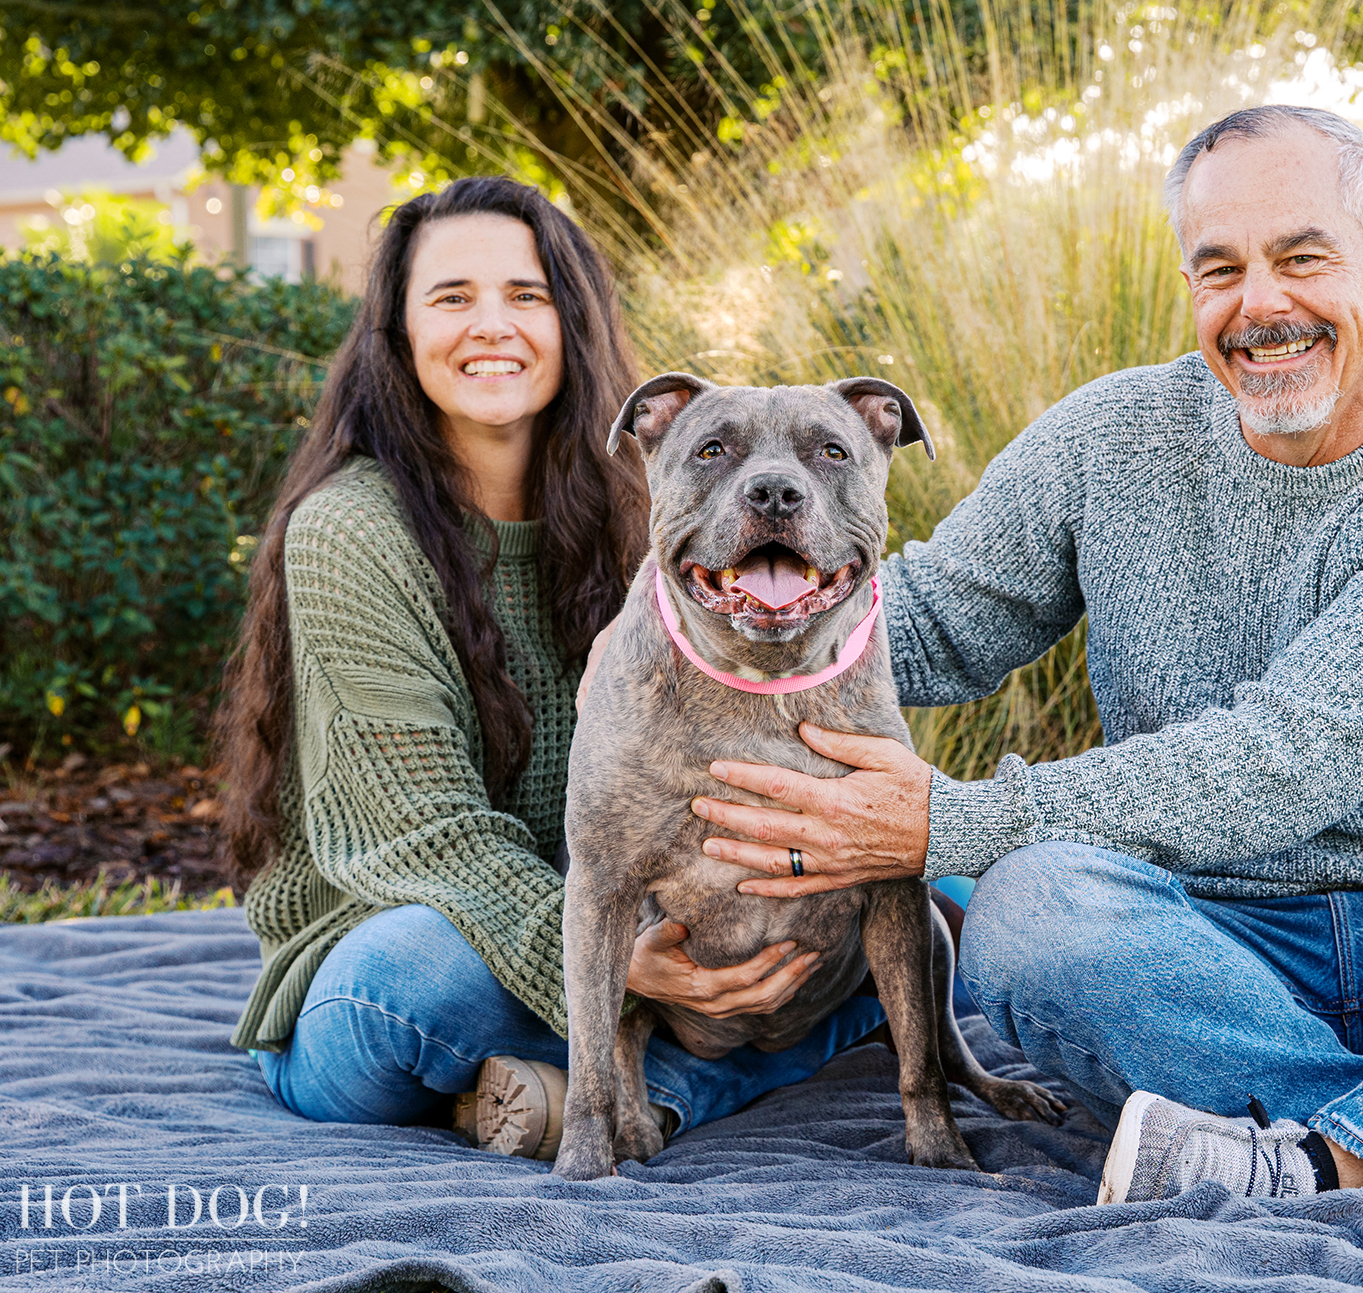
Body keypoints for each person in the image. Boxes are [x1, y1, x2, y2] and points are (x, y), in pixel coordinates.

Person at [665, 107, 1363, 1208]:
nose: (1259, 304)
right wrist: (716, 595)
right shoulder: (1107, 438)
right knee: (1029, 908)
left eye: (1301, 259)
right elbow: (914, 625)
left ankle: (1334, 1160)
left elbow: (1286, 761)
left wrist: (943, 825)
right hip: (1199, 953)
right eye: (1219, 268)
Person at [217, 176, 886, 1156]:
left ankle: (567, 1092)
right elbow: (429, 844)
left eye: (526, 296)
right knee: (415, 977)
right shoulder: (352, 530)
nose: (493, 325)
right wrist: (633, 968)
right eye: (452, 298)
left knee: (926, 903)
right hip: (399, 957)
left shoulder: (658, 508)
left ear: (571, 322)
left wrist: (779, 890)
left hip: (631, 927)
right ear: (396, 332)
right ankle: (654, 1087)